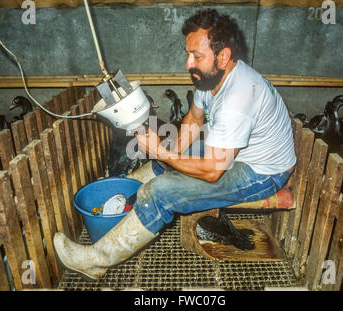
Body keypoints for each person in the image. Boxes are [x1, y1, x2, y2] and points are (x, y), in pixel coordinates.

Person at [53, 9, 296, 281]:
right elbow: (193, 119)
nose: (188, 63)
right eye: (187, 53)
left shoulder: (239, 98)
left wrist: (161, 151)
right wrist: (168, 155)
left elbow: (212, 172)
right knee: (163, 163)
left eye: (197, 56)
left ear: (223, 55)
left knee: (160, 192)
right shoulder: (211, 78)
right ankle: (124, 199)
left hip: (263, 172)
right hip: (233, 154)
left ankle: (96, 261)